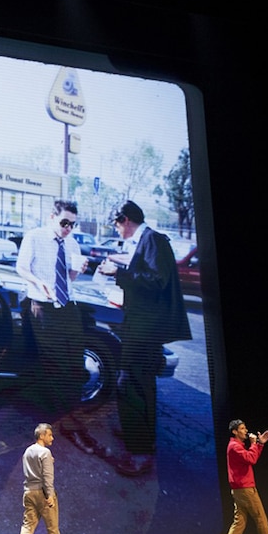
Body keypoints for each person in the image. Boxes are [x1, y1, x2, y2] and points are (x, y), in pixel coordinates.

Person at [96, 200, 191, 475]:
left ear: (125, 220)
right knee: (140, 384)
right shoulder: (147, 240)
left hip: (146, 329)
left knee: (131, 384)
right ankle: (139, 439)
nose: (117, 231)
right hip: (142, 325)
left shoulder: (153, 239)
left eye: (116, 224)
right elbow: (146, 276)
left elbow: (156, 281)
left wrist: (119, 273)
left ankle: (140, 453)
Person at [16, 200, 93, 455]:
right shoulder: (35, 237)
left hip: (67, 305)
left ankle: (70, 419)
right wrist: (40, 283)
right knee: (56, 364)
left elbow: (68, 278)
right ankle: (64, 423)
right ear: (52, 217)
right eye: (64, 223)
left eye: (73, 224)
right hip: (43, 306)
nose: (68, 228)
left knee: (74, 363)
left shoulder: (72, 243)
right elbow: (21, 268)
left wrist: (77, 272)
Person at [13, 423, 63, 534]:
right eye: (50, 435)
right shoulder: (45, 452)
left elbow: (31, 470)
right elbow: (47, 477)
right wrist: (50, 495)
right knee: (52, 528)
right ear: (42, 435)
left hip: (28, 492)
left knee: (28, 524)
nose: (52, 438)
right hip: (42, 493)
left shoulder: (28, 451)